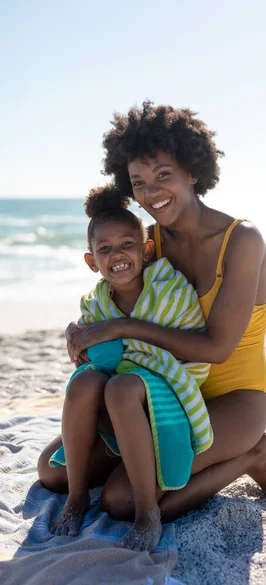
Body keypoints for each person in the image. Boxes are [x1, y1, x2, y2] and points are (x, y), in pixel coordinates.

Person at [38, 101, 266, 542]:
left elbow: (216, 348)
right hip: (160, 391)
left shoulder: (241, 240)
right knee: (53, 471)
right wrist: (82, 334)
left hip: (233, 399)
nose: (151, 192)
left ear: (192, 170)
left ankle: (251, 454)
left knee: (122, 500)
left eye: (163, 175)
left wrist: (118, 329)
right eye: (138, 182)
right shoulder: (145, 242)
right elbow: (111, 303)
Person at [46, 184, 212, 551]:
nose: (117, 255)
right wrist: (77, 335)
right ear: (91, 262)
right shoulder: (98, 301)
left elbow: (189, 351)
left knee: (119, 388)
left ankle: (147, 513)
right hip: (119, 391)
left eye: (126, 244)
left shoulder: (170, 290)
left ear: (146, 249)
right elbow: (90, 345)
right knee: (82, 383)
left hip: (166, 384)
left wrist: (115, 345)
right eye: (104, 249)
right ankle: (76, 498)